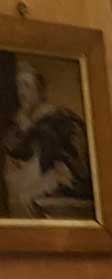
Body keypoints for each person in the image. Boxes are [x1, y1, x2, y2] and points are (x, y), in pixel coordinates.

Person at [2, 60, 93, 220]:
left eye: (27, 86)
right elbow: (16, 152)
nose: (22, 93)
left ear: (40, 91)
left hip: (65, 184)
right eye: (19, 87)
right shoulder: (22, 123)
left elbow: (72, 162)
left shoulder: (58, 120)